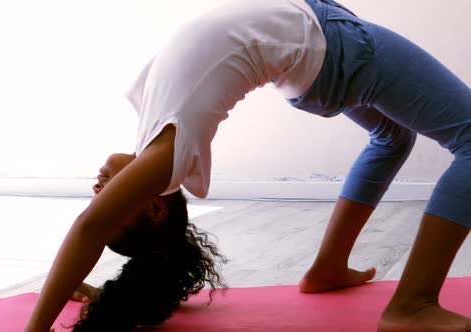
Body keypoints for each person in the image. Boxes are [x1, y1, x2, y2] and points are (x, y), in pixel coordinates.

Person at [25, 0, 471, 331]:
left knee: (392, 136)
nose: (98, 187)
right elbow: (89, 228)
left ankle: (328, 267)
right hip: (329, 46)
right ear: (155, 207)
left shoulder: (150, 131)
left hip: (313, 61)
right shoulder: (167, 158)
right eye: (108, 200)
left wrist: (83, 286)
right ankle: (412, 303)